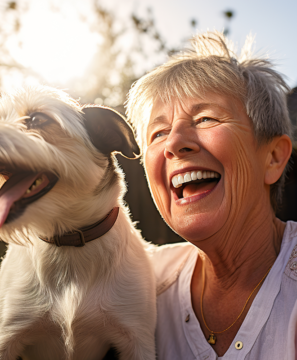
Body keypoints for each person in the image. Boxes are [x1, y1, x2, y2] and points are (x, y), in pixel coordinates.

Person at [126, 31, 297, 359]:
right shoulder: (138, 283)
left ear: (273, 158)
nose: (174, 143)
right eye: (158, 133)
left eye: (205, 118)